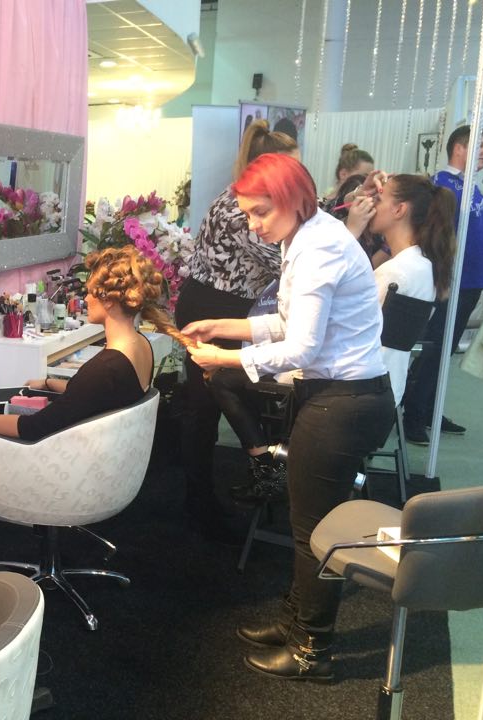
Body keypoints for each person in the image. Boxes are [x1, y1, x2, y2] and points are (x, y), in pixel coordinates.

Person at [182, 153, 394, 681]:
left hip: (344, 400)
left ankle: (311, 651)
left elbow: (300, 347)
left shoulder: (319, 248)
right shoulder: (302, 237)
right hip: (336, 395)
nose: (252, 224)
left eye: (260, 212)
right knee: (307, 521)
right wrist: (221, 326)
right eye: (247, 214)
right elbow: (284, 321)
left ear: (294, 200)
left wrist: (223, 358)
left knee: (314, 531)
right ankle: (295, 621)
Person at [0, 245, 167, 538]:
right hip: (91, 456)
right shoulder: (139, 345)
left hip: (60, 464)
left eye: (90, 292)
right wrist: (51, 383)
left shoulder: (106, 366)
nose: (86, 299)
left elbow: (32, 428)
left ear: (111, 302)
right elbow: (101, 396)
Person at [174, 120, 297, 531]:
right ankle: (200, 503)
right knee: (205, 407)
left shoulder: (251, 201)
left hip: (232, 304)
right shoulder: (239, 210)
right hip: (212, 305)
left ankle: (259, 474)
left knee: (224, 397)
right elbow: (286, 263)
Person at [400, 125, 483, 445]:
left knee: (445, 350)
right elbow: (436, 235)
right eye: (480, 145)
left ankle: (429, 410)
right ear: (459, 148)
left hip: (471, 282)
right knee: (435, 347)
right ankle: (414, 413)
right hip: (452, 282)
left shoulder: (471, 186)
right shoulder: (442, 186)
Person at [350, 174, 456, 405]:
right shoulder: (424, 266)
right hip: (389, 385)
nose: (371, 205)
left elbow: (346, 327)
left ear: (399, 210)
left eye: (378, 199)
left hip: (359, 388)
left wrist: (350, 234)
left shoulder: (395, 273)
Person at [321, 143, 374, 209]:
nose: (368, 182)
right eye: (363, 177)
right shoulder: (320, 206)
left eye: (370, 177)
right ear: (343, 174)